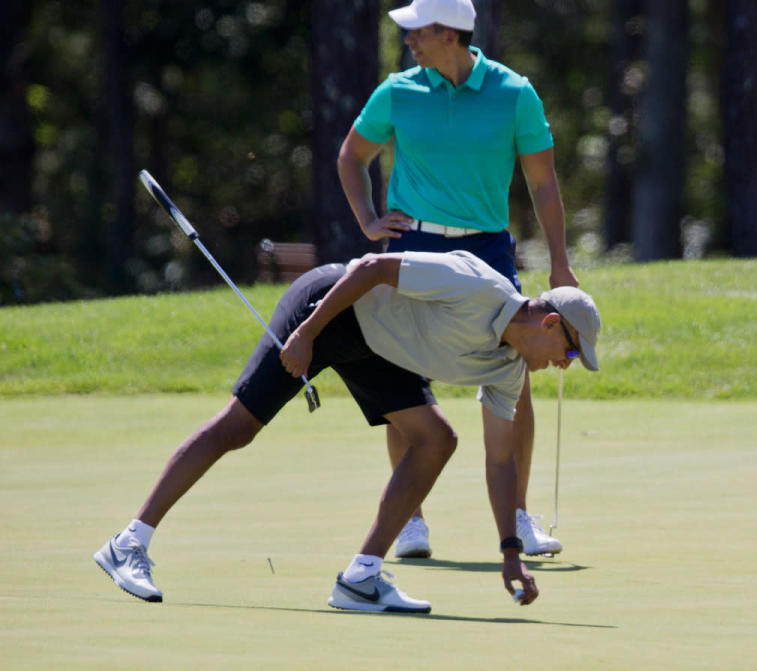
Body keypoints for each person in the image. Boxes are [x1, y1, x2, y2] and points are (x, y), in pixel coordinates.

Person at [94, 250, 601, 613]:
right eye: (572, 352)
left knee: (436, 439)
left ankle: (361, 577)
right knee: (238, 427)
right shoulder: (477, 286)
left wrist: (509, 554)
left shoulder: (507, 370)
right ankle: (128, 543)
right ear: (551, 323)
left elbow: (500, 461)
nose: (565, 365)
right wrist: (308, 332)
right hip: (330, 308)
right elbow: (371, 268)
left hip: (378, 349)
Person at [338, 0, 578, 560]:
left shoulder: (514, 92)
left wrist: (560, 262)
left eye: (417, 32)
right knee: (403, 376)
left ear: (449, 33)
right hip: (414, 240)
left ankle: (517, 516)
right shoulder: (397, 91)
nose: (408, 41)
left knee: (512, 380)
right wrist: (370, 221)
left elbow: (542, 181)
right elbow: (352, 156)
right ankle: (410, 519)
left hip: (487, 247)